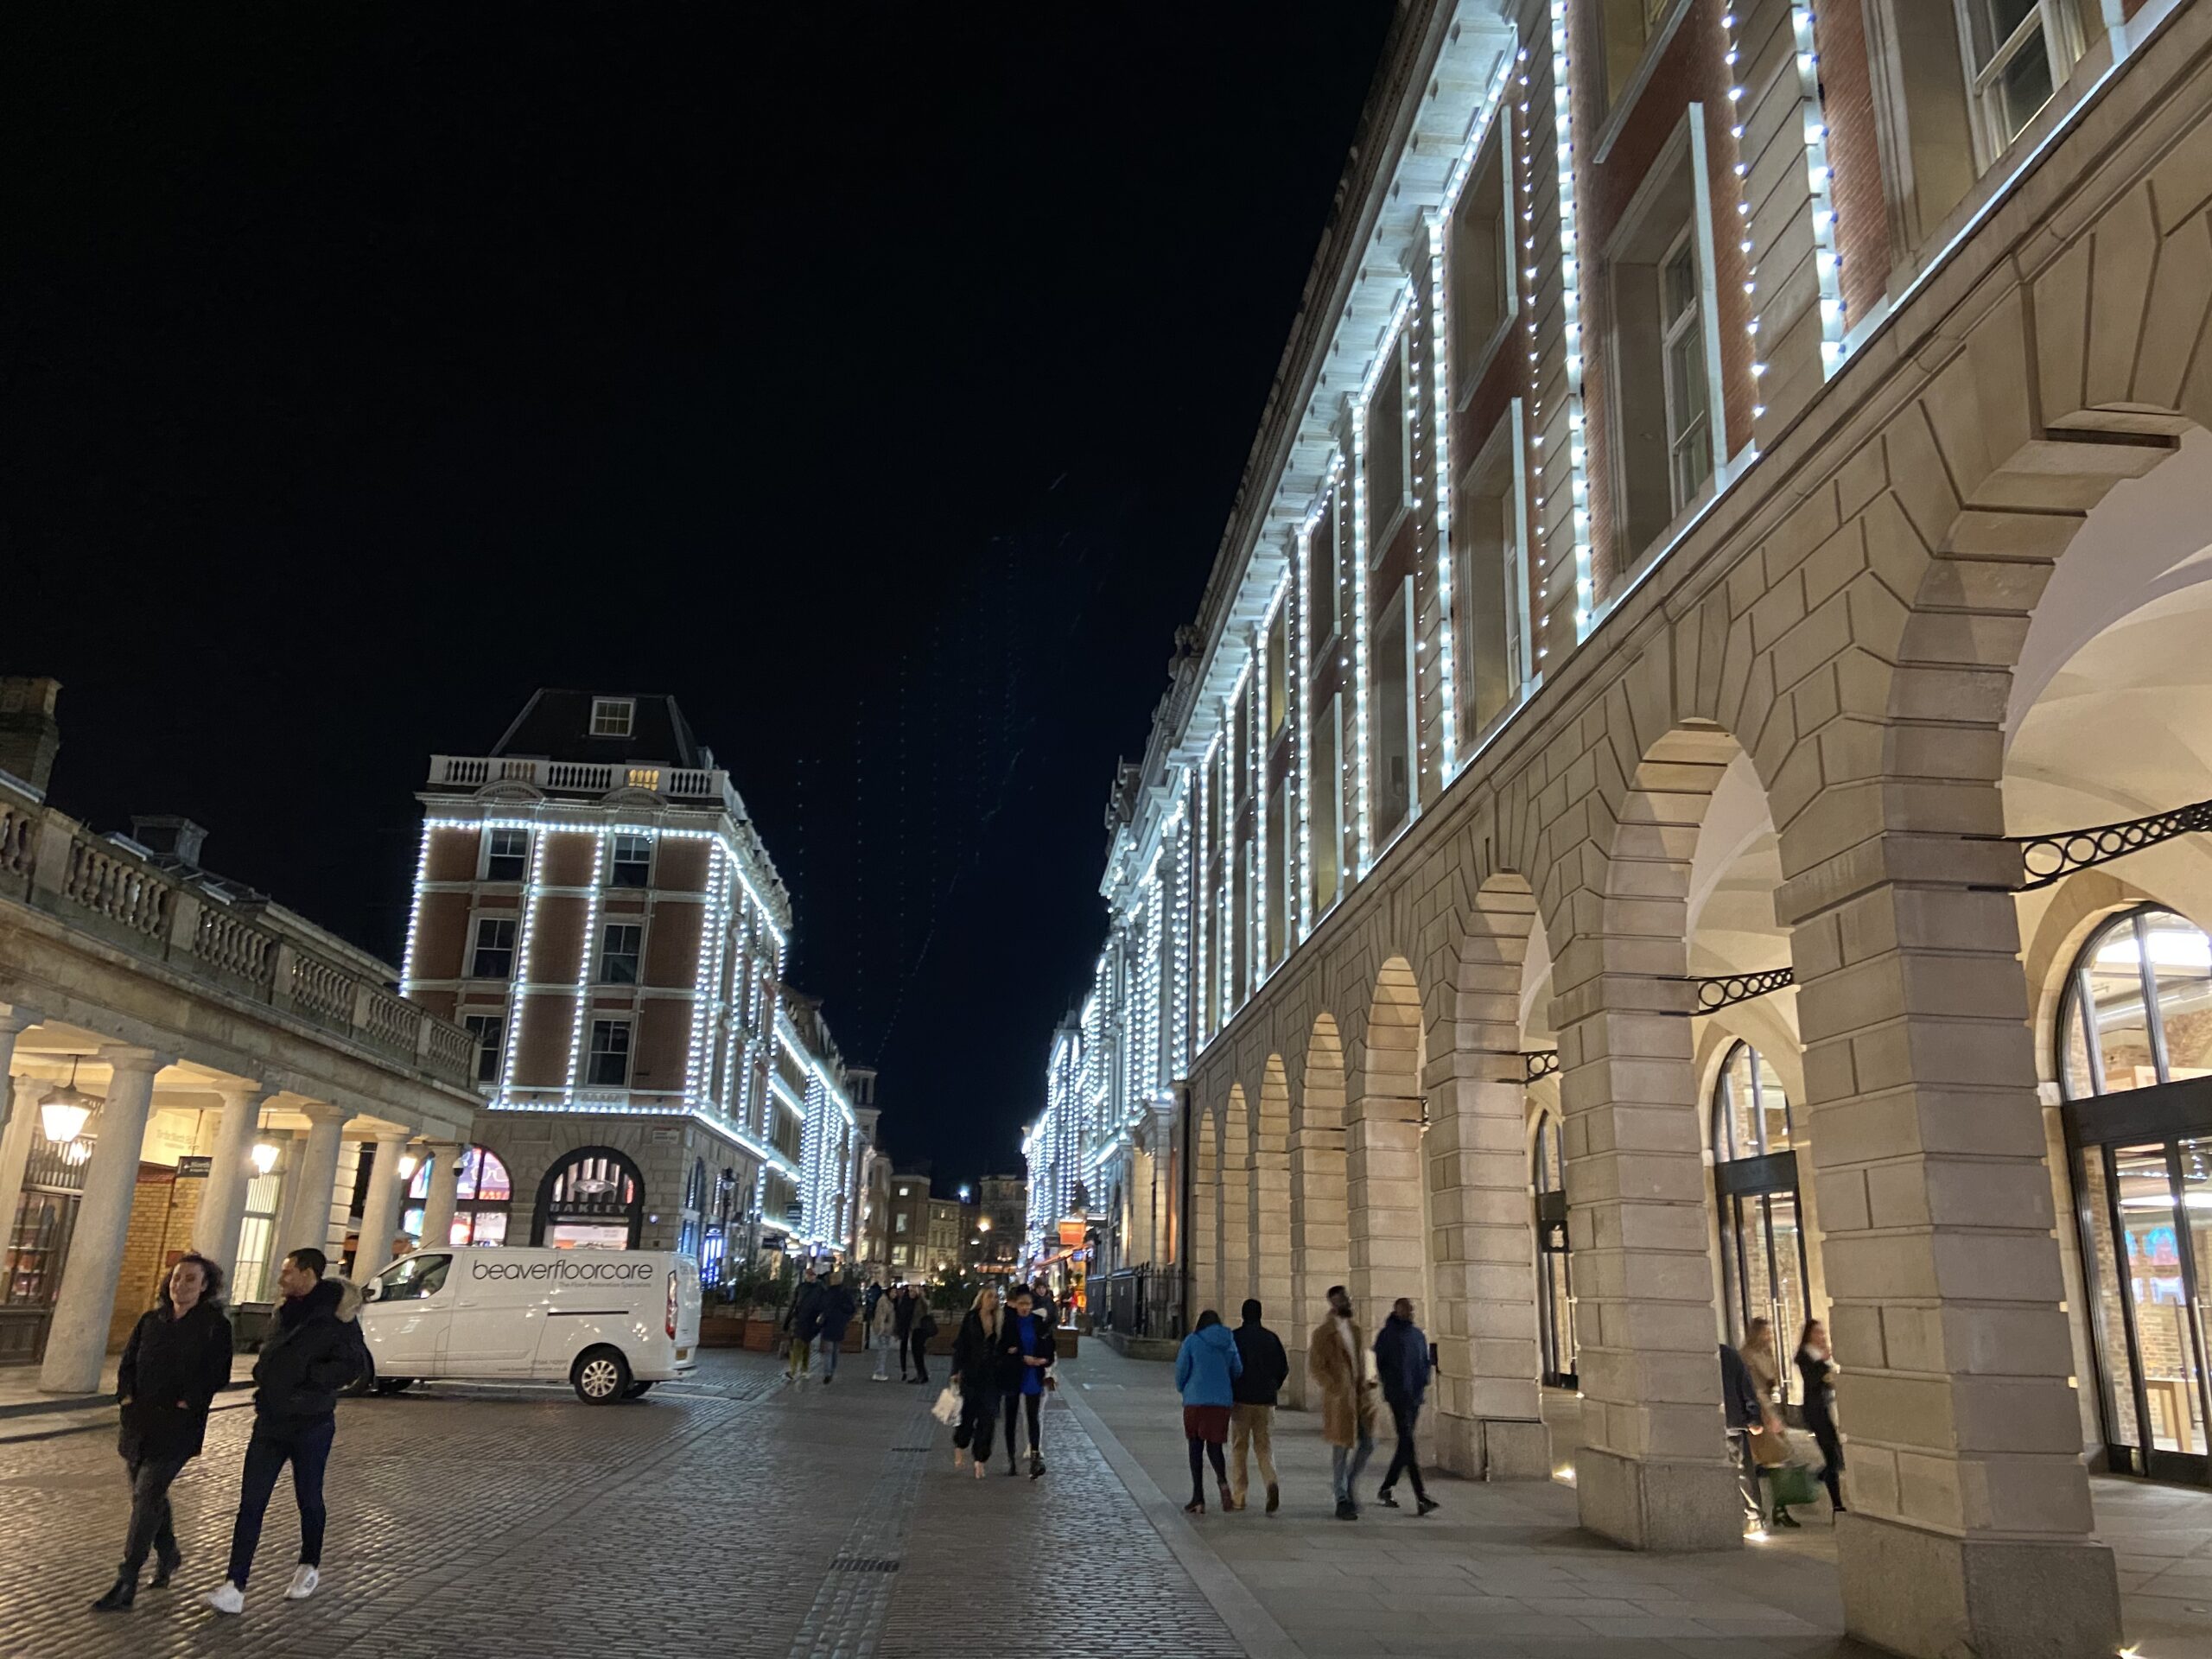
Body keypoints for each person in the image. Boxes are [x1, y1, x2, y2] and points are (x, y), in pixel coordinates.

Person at [204, 1248, 368, 1616]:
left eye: (288, 1271)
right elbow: (273, 1354)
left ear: (308, 1273)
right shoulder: (283, 1313)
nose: (282, 1279)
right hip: (271, 1420)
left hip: (311, 1422)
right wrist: (265, 1376)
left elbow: (351, 1364)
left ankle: (309, 1565)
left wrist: (307, 1382)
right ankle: (235, 1584)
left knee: (308, 1497)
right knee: (251, 1503)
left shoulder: (337, 1316)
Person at [92, 1253, 235, 1611]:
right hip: (138, 1425)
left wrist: (188, 1400)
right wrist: (124, 1397)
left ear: (205, 1286)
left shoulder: (214, 1326)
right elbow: (128, 1362)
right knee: (148, 1496)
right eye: (176, 1278)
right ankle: (168, 1552)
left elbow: (217, 1373)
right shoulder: (151, 1320)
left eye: (190, 1279)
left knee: (147, 1494)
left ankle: (127, 1579)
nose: (180, 1285)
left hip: (177, 1428)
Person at [1308, 1285, 1377, 1520]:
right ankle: (1341, 1496)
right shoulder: (1323, 1333)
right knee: (1341, 1447)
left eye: (1347, 1297)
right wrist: (1335, 1387)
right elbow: (1316, 1366)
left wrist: (1368, 1378)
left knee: (1368, 1443)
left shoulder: (1355, 1330)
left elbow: (1362, 1357)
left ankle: (1348, 1484)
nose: (1347, 1302)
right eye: (1341, 1300)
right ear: (1332, 1303)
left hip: (1359, 1395)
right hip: (1340, 1399)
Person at [1372, 1298, 1440, 1516]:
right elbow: (1379, 1363)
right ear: (1397, 1310)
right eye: (1406, 1309)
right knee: (1407, 1442)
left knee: (1406, 1444)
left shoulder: (1417, 1335)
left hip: (1414, 1396)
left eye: (1412, 1309)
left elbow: (1424, 1362)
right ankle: (1421, 1496)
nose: (1411, 1313)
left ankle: (1387, 1487)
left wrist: (1423, 1383)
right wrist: (1391, 1384)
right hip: (1398, 1396)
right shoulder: (1387, 1335)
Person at [1175, 1309, 1243, 1514]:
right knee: (1215, 1447)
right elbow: (1237, 1369)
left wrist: (1183, 1388)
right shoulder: (1228, 1341)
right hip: (1220, 1402)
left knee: (1195, 1448)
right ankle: (1222, 1482)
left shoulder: (1192, 1341)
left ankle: (1198, 1497)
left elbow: (1182, 1370)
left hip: (1196, 1401)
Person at [1229, 1298, 1287, 1514]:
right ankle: (1271, 1482)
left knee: (1239, 1447)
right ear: (1260, 1315)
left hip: (1241, 1400)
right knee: (1264, 1446)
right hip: (1265, 1400)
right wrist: (1273, 1387)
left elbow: (1230, 1366)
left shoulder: (1235, 1337)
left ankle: (1239, 1496)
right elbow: (1283, 1368)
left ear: (1243, 1315)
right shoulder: (1271, 1338)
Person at [1741, 1317, 1796, 1527]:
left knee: (1778, 1461)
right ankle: (1759, 1511)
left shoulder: (1767, 1354)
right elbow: (1754, 1390)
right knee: (1773, 1458)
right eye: (1766, 1332)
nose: (1769, 1336)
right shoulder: (1748, 1356)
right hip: (1761, 1414)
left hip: (1771, 1410)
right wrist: (1767, 1417)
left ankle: (1778, 1509)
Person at [996, 1285, 1053, 1476]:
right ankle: (1011, 1458)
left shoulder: (1038, 1322)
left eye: (1028, 1303)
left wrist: (1043, 1360)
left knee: (1032, 1416)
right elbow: (1004, 1349)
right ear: (1015, 1304)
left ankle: (1035, 1456)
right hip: (1014, 1374)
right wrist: (1021, 1356)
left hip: (1032, 1374)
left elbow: (1049, 1348)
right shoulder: (1009, 1322)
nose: (1025, 1307)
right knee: (1010, 1418)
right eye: (1021, 1303)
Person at [950, 1287, 1002, 1479]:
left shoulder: (1000, 1320)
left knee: (988, 1420)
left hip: (991, 1378)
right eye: (990, 1297)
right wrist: (955, 1371)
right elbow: (961, 1346)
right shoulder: (971, 1318)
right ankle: (960, 1443)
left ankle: (980, 1459)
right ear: (981, 1299)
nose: (993, 1300)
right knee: (967, 1418)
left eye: (996, 1297)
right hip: (971, 1376)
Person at [1796, 1318, 1846, 1517]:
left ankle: (1824, 1479)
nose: (1821, 1336)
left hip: (1827, 1407)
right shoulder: (1805, 1355)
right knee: (1831, 1455)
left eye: (1822, 1332)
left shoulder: (1822, 1356)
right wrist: (1824, 1362)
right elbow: (1813, 1380)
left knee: (1836, 1456)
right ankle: (1836, 1503)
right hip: (1816, 1411)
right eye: (1817, 1332)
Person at [1719, 1337, 1767, 1531]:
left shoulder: (1728, 1356)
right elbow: (1746, 1387)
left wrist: (1753, 1417)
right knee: (1741, 1472)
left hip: (1729, 1423)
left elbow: (1745, 1386)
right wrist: (1753, 1416)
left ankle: (1753, 1516)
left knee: (1742, 1472)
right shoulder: (1729, 1355)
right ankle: (1754, 1517)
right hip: (1730, 1421)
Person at [785, 1269, 824, 1384]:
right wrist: (788, 1320)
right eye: (808, 1275)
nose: (810, 1277)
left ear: (815, 1276)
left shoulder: (820, 1288)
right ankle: (794, 1371)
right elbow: (794, 1304)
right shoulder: (801, 1287)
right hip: (800, 1320)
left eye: (812, 1275)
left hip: (811, 1321)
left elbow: (823, 1305)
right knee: (798, 1343)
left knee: (805, 1344)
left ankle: (803, 1369)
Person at [816, 1274, 855, 1384]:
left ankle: (828, 1373)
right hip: (839, 1324)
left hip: (829, 1323)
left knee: (830, 1350)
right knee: (834, 1350)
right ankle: (830, 1372)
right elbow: (852, 1308)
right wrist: (845, 1317)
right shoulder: (844, 1293)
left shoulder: (828, 1293)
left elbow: (821, 1306)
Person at [870, 1280, 900, 1379]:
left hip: (887, 1330)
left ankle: (878, 1371)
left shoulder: (891, 1302)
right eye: (893, 1292)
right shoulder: (884, 1301)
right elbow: (881, 1316)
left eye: (895, 1292)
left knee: (883, 1351)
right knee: (882, 1351)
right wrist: (881, 1328)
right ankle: (879, 1372)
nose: (894, 1294)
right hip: (883, 1330)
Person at [908, 1288, 938, 1385]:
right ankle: (922, 1375)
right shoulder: (915, 1301)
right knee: (917, 1354)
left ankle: (921, 1375)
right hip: (916, 1329)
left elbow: (927, 1308)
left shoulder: (923, 1301)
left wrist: (922, 1296)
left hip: (920, 1330)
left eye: (913, 1291)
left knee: (918, 1354)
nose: (911, 1293)